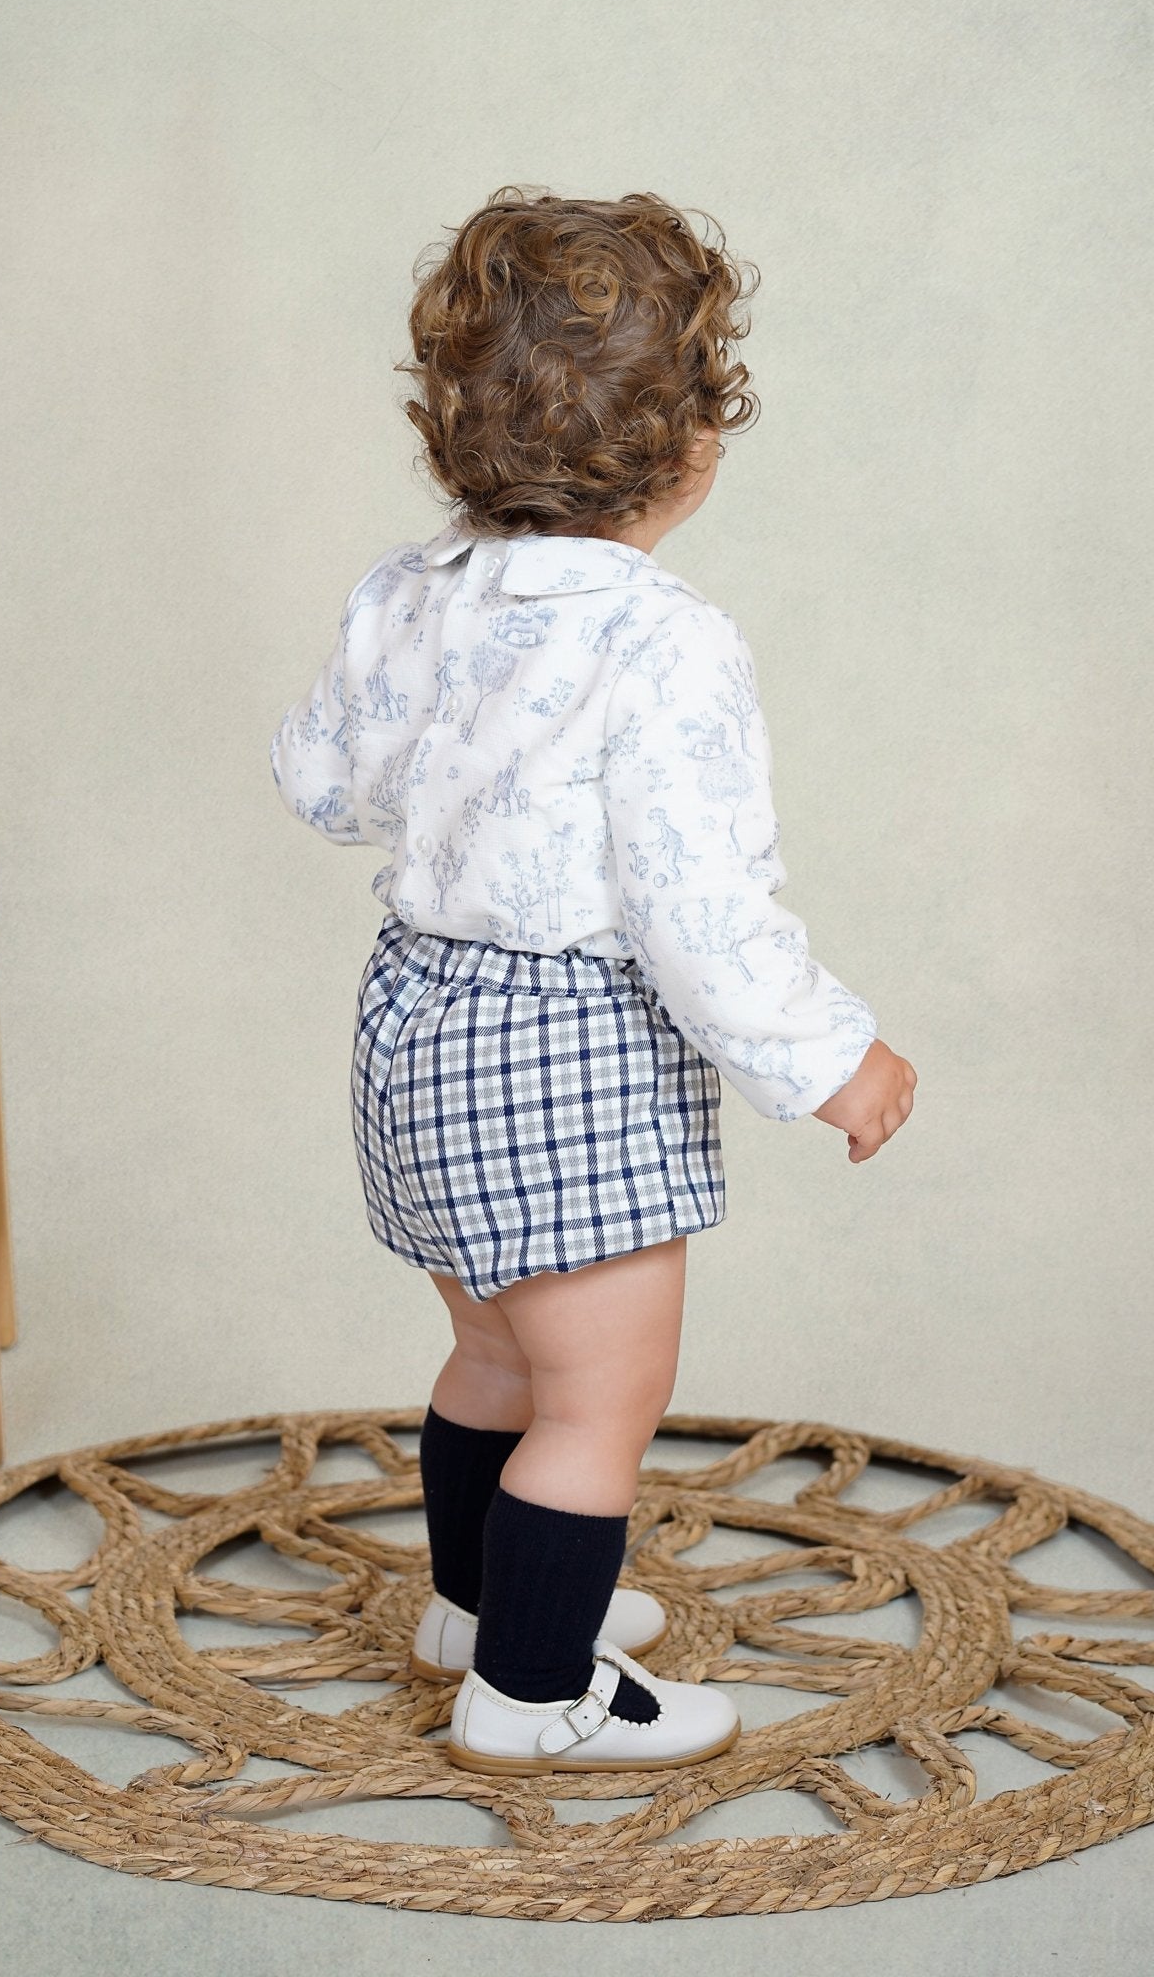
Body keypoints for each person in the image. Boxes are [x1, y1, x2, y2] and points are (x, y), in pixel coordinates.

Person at [270, 186, 917, 1775]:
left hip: (413, 1026)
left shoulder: (407, 591)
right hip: (559, 1046)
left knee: (496, 1351)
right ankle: (533, 1694)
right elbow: (700, 909)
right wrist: (829, 1055)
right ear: (691, 447)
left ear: (452, 435)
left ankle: (472, 1607)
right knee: (599, 1403)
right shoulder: (666, 643)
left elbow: (322, 789)